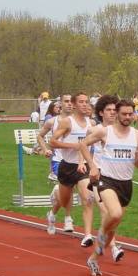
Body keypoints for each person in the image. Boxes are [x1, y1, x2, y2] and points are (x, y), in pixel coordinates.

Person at [80, 99, 138, 276]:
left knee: (112, 229)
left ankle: (93, 258)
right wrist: (92, 166)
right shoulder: (105, 132)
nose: (127, 117)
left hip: (126, 184)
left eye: (131, 114)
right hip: (106, 180)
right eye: (124, 114)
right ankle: (101, 231)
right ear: (117, 114)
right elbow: (83, 145)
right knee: (114, 214)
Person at [47, 92, 96, 247]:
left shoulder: (92, 124)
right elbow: (53, 142)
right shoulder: (67, 122)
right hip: (67, 166)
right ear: (74, 104)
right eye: (81, 102)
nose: (84, 104)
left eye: (86, 101)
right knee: (64, 200)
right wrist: (73, 146)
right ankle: (52, 211)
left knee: (87, 198)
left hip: (83, 167)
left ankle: (87, 235)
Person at [86, 94, 126, 262]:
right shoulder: (95, 130)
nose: (112, 113)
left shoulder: (121, 132)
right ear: (101, 113)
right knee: (106, 211)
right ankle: (113, 247)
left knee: (115, 215)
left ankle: (103, 242)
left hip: (116, 177)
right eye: (108, 110)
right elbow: (83, 147)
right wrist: (87, 165)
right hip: (99, 176)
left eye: (114, 110)